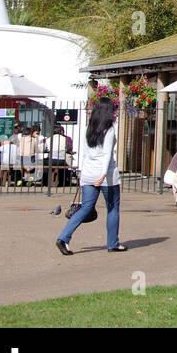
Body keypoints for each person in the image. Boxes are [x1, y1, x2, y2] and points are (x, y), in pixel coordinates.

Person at [55, 100, 124, 255]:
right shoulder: (109, 129)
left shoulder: (89, 128)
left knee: (86, 207)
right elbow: (107, 154)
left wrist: (82, 174)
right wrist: (103, 174)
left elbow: (85, 153)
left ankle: (63, 237)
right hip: (106, 174)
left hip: (88, 172)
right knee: (113, 208)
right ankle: (113, 243)